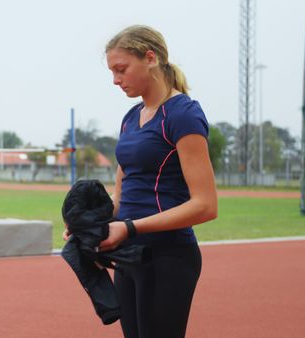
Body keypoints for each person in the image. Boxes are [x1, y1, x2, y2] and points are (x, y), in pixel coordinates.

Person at [63, 25, 218, 338]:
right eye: (112, 72)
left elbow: (205, 206)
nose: (116, 80)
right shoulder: (132, 117)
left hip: (168, 256)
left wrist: (130, 227)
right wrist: (94, 227)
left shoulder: (183, 114)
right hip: (130, 254)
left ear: (150, 58)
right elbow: (123, 186)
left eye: (121, 70)